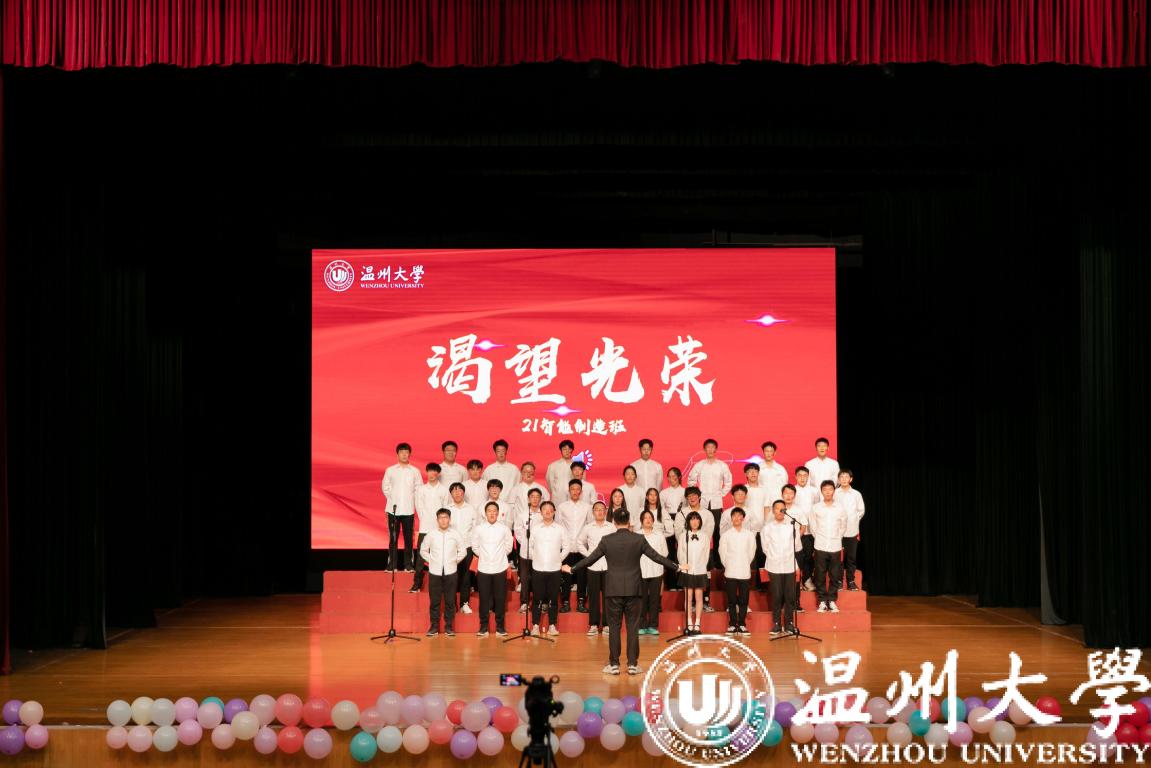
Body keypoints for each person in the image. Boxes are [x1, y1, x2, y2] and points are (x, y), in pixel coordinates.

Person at [563, 509, 681, 676]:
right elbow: (657, 557)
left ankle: (614, 664)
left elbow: (590, 559)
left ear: (614, 522)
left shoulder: (607, 540)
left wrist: (572, 569)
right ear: (629, 521)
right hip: (634, 589)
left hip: (613, 590)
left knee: (614, 628)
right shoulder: (638, 539)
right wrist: (677, 567)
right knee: (633, 628)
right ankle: (632, 664)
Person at [420, 508, 466, 637]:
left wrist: (454, 561)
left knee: (450, 601)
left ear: (449, 519)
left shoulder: (455, 534)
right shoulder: (431, 534)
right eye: (441, 517)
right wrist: (432, 561)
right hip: (435, 572)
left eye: (445, 517)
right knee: (434, 601)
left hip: (451, 572)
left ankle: (449, 627)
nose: (443, 520)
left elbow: (463, 551)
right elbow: (423, 550)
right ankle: (434, 626)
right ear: (437, 520)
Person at [687, 438, 732, 569]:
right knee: (701, 531)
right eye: (708, 447)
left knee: (717, 532)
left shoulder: (722, 465)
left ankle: (718, 563)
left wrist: (721, 493)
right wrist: (698, 495)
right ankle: (702, 561)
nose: (710, 449)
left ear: (716, 449)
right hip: (703, 503)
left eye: (713, 447)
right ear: (704, 449)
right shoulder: (699, 465)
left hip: (716, 503)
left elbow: (728, 482)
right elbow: (691, 480)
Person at [473, 501, 514, 638]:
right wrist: (485, 556)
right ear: (485, 513)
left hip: (500, 567)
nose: (492, 513)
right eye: (489, 511)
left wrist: (499, 556)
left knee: (500, 598)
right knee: (484, 598)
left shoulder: (504, 529)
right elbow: (475, 546)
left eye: (494, 511)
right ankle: (483, 627)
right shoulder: (479, 528)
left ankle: (500, 627)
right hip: (483, 568)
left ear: (498, 513)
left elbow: (509, 546)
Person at [528, 501, 569, 637]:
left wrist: (558, 559)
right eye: (544, 509)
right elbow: (529, 547)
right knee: (537, 598)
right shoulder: (535, 529)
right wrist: (536, 557)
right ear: (540, 512)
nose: (547, 511)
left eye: (550, 509)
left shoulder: (560, 529)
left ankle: (552, 625)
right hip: (538, 568)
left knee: (553, 598)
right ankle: (535, 626)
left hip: (554, 569)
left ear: (554, 512)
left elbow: (567, 546)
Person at [761, 500, 801, 635]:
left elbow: (796, 546)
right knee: (777, 595)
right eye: (777, 508)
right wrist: (775, 557)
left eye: (782, 508)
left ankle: (789, 623)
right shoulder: (767, 528)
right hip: (774, 565)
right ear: (773, 511)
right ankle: (777, 623)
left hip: (789, 565)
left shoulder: (791, 527)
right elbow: (765, 547)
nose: (780, 511)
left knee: (790, 596)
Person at [673, 486, 715, 611]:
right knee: (688, 574)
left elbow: (709, 531)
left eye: (694, 495)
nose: (692, 498)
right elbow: (678, 531)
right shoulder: (681, 513)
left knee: (706, 574)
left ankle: (706, 601)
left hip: (704, 549)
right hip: (687, 549)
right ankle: (690, 603)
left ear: (699, 496)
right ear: (686, 498)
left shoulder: (708, 514)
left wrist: (700, 541)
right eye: (689, 496)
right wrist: (687, 542)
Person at [382, 442, 421, 572]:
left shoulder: (415, 471)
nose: (404, 454)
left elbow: (419, 489)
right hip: (393, 510)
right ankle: (392, 565)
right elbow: (385, 487)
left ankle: (408, 565)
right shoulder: (390, 470)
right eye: (401, 452)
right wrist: (394, 498)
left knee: (409, 539)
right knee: (393, 538)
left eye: (406, 452)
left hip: (408, 510)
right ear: (397, 454)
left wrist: (411, 501)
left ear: (409, 454)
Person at [412, 462, 451, 593]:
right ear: (427, 472)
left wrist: (441, 524)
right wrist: (426, 519)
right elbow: (419, 507)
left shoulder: (443, 490)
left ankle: (443, 584)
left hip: (440, 529)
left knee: (442, 555)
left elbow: (446, 508)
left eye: (435, 471)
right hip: (425, 528)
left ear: (438, 474)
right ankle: (417, 583)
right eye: (430, 471)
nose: (432, 474)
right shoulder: (421, 489)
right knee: (420, 556)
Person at [810, 480, 847, 613]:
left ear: (833, 491)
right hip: (820, 545)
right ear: (821, 491)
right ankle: (821, 601)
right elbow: (813, 526)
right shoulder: (816, 508)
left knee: (834, 575)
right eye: (825, 489)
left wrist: (837, 537)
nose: (827, 492)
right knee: (819, 575)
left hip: (835, 545)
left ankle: (831, 600)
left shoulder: (840, 508)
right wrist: (820, 537)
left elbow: (843, 526)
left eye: (830, 489)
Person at [718, 508, 757, 635]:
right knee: (731, 600)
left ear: (743, 519)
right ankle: (732, 624)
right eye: (734, 516)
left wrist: (745, 562)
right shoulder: (726, 535)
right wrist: (728, 564)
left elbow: (751, 552)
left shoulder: (749, 535)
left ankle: (742, 624)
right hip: (730, 571)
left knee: (744, 600)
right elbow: (722, 552)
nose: (736, 518)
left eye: (739, 515)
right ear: (731, 518)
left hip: (744, 571)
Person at [577, 501, 614, 632]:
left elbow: (617, 543)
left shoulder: (611, 527)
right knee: (593, 596)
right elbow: (579, 542)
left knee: (608, 597)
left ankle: (607, 625)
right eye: (597, 509)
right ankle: (593, 624)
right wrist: (588, 556)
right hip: (593, 566)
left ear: (606, 511)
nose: (599, 511)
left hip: (608, 566)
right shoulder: (588, 527)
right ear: (593, 512)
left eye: (602, 509)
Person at [557, 479, 591, 613]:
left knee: (583, 577)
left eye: (578, 489)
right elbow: (559, 526)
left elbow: (589, 526)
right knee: (566, 576)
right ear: (569, 491)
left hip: (582, 548)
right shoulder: (562, 507)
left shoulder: (587, 507)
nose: (575, 491)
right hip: (567, 548)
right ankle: (565, 603)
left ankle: (581, 602)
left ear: (581, 491)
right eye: (573, 489)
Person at [443, 482, 476, 614]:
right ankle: (451, 605)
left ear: (463, 493)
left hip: (467, 546)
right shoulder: (446, 509)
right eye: (454, 491)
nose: (457, 493)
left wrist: (473, 546)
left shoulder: (471, 509)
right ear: (451, 493)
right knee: (450, 576)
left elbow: (475, 528)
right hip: (451, 547)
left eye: (459, 490)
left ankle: (464, 603)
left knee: (466, 576)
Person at [677, 510, 711, 636]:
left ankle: (697, 623)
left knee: (699, 597)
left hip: (700, 570)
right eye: (692, 519)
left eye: (697, 519)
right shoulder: (683, 536)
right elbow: (680, 553)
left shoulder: (705, 536)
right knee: (688, 597)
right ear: (688, 521)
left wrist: (701, 566)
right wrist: (683, 566)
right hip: (687, 570)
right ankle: (689, 622)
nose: (695, 521)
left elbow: (706, 554)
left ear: (700, 521)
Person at [513, 488, 545, 614]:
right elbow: (517, 531)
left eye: (537, 497)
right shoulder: (522, 515)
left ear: (541, 499)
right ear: (528, 498)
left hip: (541, 552)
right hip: (525, 552)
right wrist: (526, 542)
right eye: (532, 496)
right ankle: (524, 603)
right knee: (525, 578)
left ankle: (539, 602)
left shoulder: (544, 514)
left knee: (539, 578)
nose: (535, 499)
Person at [638, 510, 669, 635]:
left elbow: (664, 553)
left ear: (653, 520)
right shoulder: (637, 535)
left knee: (654, 599)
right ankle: (641, 625)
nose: (648, 520)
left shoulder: (659, 535)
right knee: (641, 599)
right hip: (641, 571)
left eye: (650, 517)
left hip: (656, 571)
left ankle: (653, 626)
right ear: (641, 521)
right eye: (645, 518)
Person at [835, 469, 866, 591]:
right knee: (838, 558)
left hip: (852, 530)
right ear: (838, 479)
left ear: (851, 479)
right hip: (838, 531)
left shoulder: (856, 494)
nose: (843, 479)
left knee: (851, 558)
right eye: (841, 477)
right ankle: (838, 581)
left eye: (846, 477)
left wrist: (853, 519)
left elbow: (861, 510)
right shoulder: (835, 493)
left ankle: (851, 581)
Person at [778, 485, 807, 614]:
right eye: (786, 493)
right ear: (782, 495)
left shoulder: (798, 510)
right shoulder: (778, 508)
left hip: (796, 548)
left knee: (795, 576)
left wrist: (796, 538)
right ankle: (781, 603)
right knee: (782, 576)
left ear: (794, 495)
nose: (788, 496)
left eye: (791, 493)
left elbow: (803, 525)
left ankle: (795, 603)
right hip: (781, 549)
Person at [791, 468, 819, 591]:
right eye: (800, 475)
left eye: (805, 475)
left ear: (808, 477)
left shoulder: (814, 491)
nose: (802, 478)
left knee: (808, 556)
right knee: (796, 557)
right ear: (795, 477)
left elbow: (817, 508)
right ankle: (796, 582)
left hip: (810, 530)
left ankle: (807, 580)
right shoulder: (792, 490)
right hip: (796, 530)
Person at [659, 468, 686, 588]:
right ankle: (671, 583)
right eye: (669, 476)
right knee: (670, 551)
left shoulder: (685, 492)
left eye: (674, 476)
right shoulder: (663, 493)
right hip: (668, 519)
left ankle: (682, 582)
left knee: (682, 551)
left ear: (679, 477)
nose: (672, 478)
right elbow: (661, 510)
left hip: (682, 521)